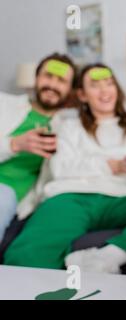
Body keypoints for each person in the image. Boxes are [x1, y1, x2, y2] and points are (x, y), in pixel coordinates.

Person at [4, 64, 126, 275]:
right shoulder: (69, 127)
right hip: (72, 198)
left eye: (109, 83)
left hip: (122, 196)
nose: (104, 91)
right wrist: (110, 165)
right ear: (82, 95)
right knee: (27, 254)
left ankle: (109, 256)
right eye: (95, 86)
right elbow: (61, 168)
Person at [0, 53, 76, 241]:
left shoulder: (68, 129)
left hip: (6, 192)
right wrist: (13, 144)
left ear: (70, 89)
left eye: (61, 80)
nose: (52, 84)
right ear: (36, 78)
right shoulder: (3, 103)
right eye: (48, 76)